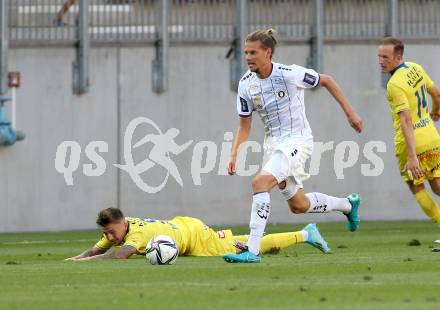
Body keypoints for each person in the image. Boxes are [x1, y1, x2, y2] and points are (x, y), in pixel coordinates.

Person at [223, 29, 363, 264]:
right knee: (299, 205)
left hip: (297, 141)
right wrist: (234, 153)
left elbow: (326, 80)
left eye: (253, 52)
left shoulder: (289, 74)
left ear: (267, 52)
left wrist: (351, 114)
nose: (248, 57)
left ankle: (252, 251)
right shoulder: (246, 84)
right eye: (246, 52)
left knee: (259, 183)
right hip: (274, 146)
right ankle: (348, 205)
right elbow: (245, 125)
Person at [65, 207, 330, 261]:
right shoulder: (122, 229)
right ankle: (306, 233)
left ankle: (307, 234)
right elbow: (98, 248)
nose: (110, 238)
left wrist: (86, 262)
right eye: (107, 234)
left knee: (251, 247)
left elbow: (118, 256)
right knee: (247, 243)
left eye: (112, 233)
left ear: (122, 225)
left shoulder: (137, 236)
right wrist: (78, 257)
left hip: (197, 237)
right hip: (184, 226)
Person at [378, 37, 440, 229]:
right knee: (437, 185)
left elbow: (405, 120)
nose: (381, 61)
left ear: (398, 57)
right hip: (432, 138)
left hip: (410, 144)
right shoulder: (416, 68)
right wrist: (436, 110)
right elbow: (436, 93)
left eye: (385, 57)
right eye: (379, 56)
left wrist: (412, 157)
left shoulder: (394, 85)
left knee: (417, 188)